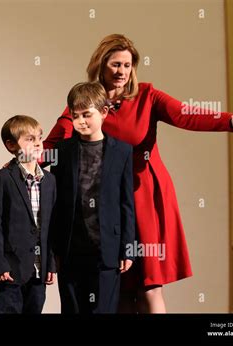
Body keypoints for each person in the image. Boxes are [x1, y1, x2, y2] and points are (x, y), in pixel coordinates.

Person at [43, 34, 233, 313]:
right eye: (115, 65)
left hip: (145, 195)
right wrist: (21, 163)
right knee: (121, 286)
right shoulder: (88, 102)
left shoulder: (147, 96)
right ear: (100, 65)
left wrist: (231, 121)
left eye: (127, 66)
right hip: (105, 204)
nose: (122, 72)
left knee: (149, 285)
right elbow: (54, 143)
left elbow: (187, 114)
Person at [50, 82, 135, 314]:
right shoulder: (62, 150)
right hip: (70, 249)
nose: (80, 121)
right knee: (72, 309)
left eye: (87, 114)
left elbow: (127, 202)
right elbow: (55, 204)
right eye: (75, 116)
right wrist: (51, 251)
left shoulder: (123, 151)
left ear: (104, 112)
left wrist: (128, 247)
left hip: (107, 248)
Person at [0, 115, 56, 313]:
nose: (38, 144)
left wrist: (50, 263)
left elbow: (50, 226)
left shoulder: (49, 181)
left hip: (38, 269)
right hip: (10, 269)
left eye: (39, 138)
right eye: (30, 139)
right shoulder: (2, 178)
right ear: (11, 145)